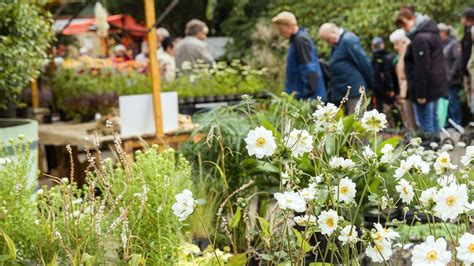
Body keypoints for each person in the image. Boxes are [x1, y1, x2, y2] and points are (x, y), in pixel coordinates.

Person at [396, 7, 447, 136]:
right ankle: (437, 149)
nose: (404, 29)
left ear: (412, 19)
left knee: (425, 125)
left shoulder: (420, 38)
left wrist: (420, 94)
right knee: (433, 119)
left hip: (425, 89)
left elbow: (422, 67)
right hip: (435, 86)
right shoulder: (432, 32)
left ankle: (430, 150)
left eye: (405, 24)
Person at [319, 23, 373, 114]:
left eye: (328, 39)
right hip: (344, 92)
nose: (328, 43)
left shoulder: (348, 40)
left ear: (333, 31)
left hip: (355, 91)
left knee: (356, 121)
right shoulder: (338, 43)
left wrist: (372, 84)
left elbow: (363, 63)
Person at [271, 11, 326, 101]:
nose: (279, 32)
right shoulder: (296, 39)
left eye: (281, 29)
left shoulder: (300, 40)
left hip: (307, 97)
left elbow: (309, 68)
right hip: (301, 94)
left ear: (290, 25)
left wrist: (306, 96)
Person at [389, 29, 417, 130]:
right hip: (403, 92)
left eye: (396, 44)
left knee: (412, 119)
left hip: (409, 91)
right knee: (408, 119)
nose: (395, 47)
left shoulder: (408, 53)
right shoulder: (400, 55)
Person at [438, 23, 462, 126]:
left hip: (452, 80)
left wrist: (451, 74)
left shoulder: (453, 44)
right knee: (446, 102)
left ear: (444, 33)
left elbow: (457, 60)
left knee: (453, 102)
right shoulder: (441, 45)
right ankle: (448, 123)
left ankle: (456, 123)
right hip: (444, 80)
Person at [370, 37, 395, 116]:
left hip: (375, 88)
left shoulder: (371, 58)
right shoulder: (386, 58)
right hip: (385, 89)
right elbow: (387, 74)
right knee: (391, 108)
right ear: (382, 45)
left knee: (378, 110)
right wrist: (390, 88)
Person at [461, 7, 474, 114]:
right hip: (467, 70)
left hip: (470, 71)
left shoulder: (470, 32)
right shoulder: (467, 31)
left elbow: (467, 53)